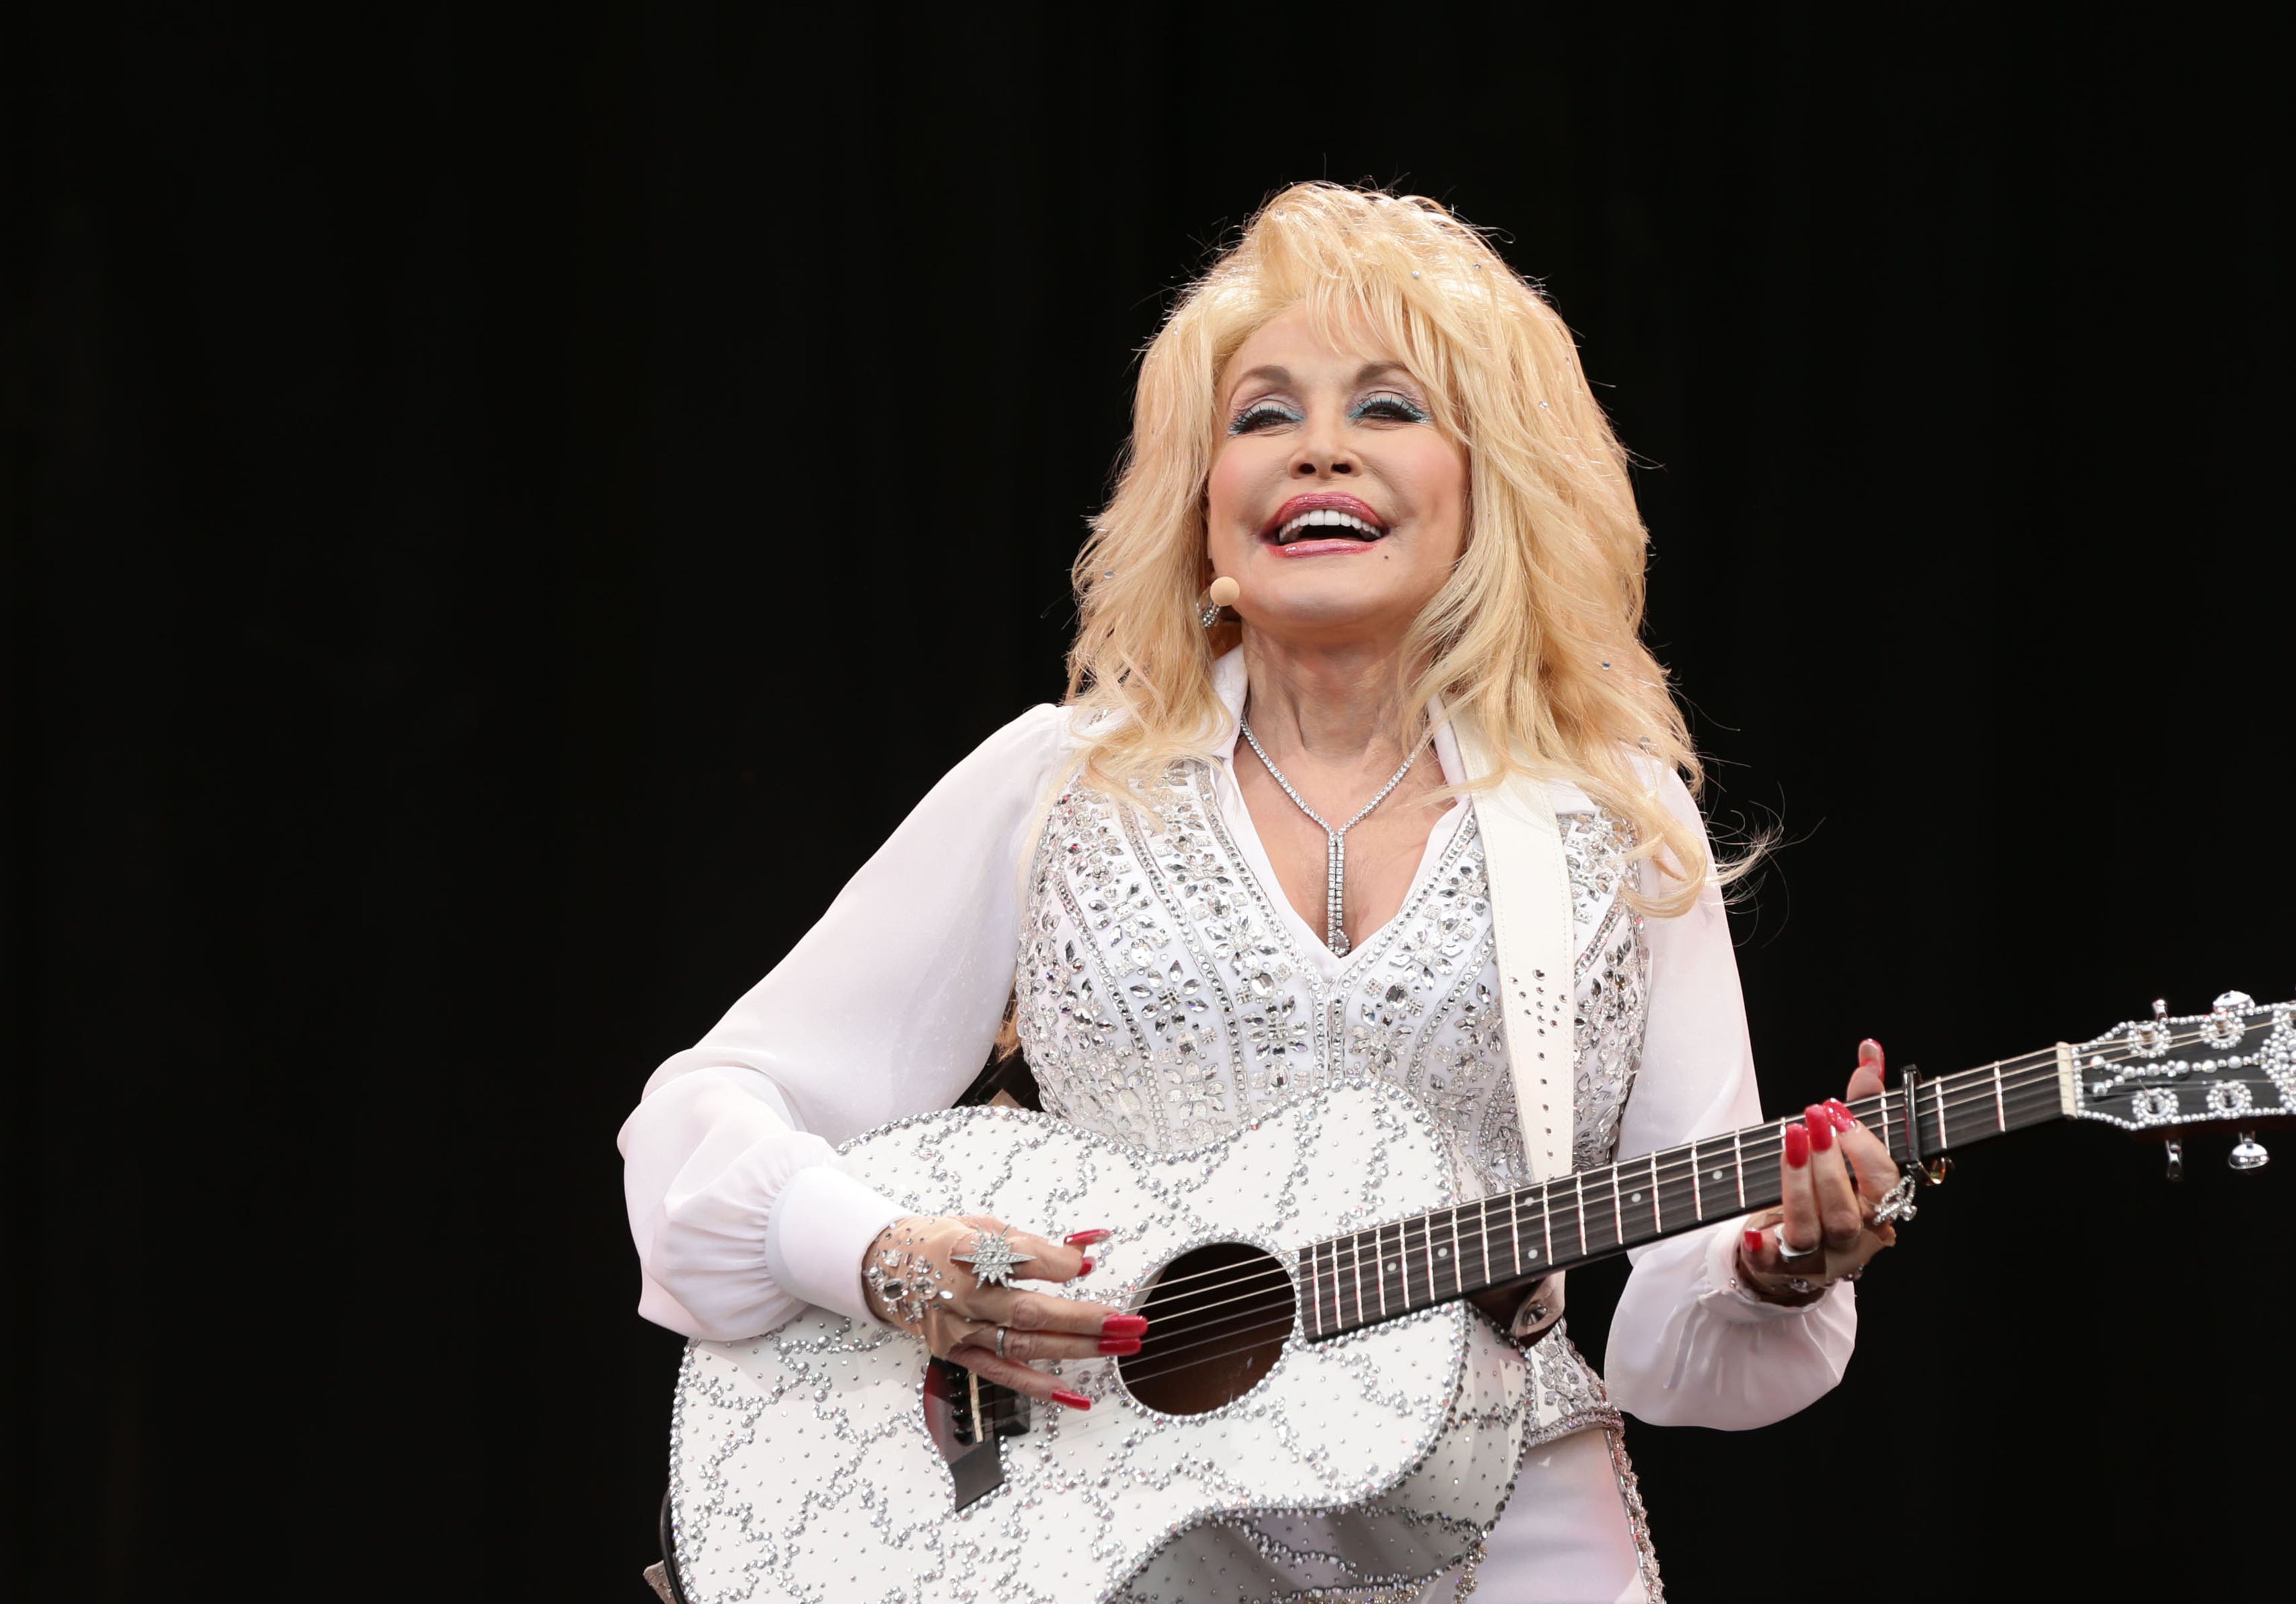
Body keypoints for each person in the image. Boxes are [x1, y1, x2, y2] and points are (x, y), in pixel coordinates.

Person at [620, 183, 1900, 1602]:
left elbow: (1681, 1315)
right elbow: (701, 1122)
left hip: (1499, 1526)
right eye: (1263, 414)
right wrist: (887, 1257)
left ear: (1495, 487)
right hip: (1100, 1530)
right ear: (1202, 505)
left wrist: (1783, 1260)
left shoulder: (1604, 819)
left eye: (1391, 407)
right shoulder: (1059, 785)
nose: (1321, 451)